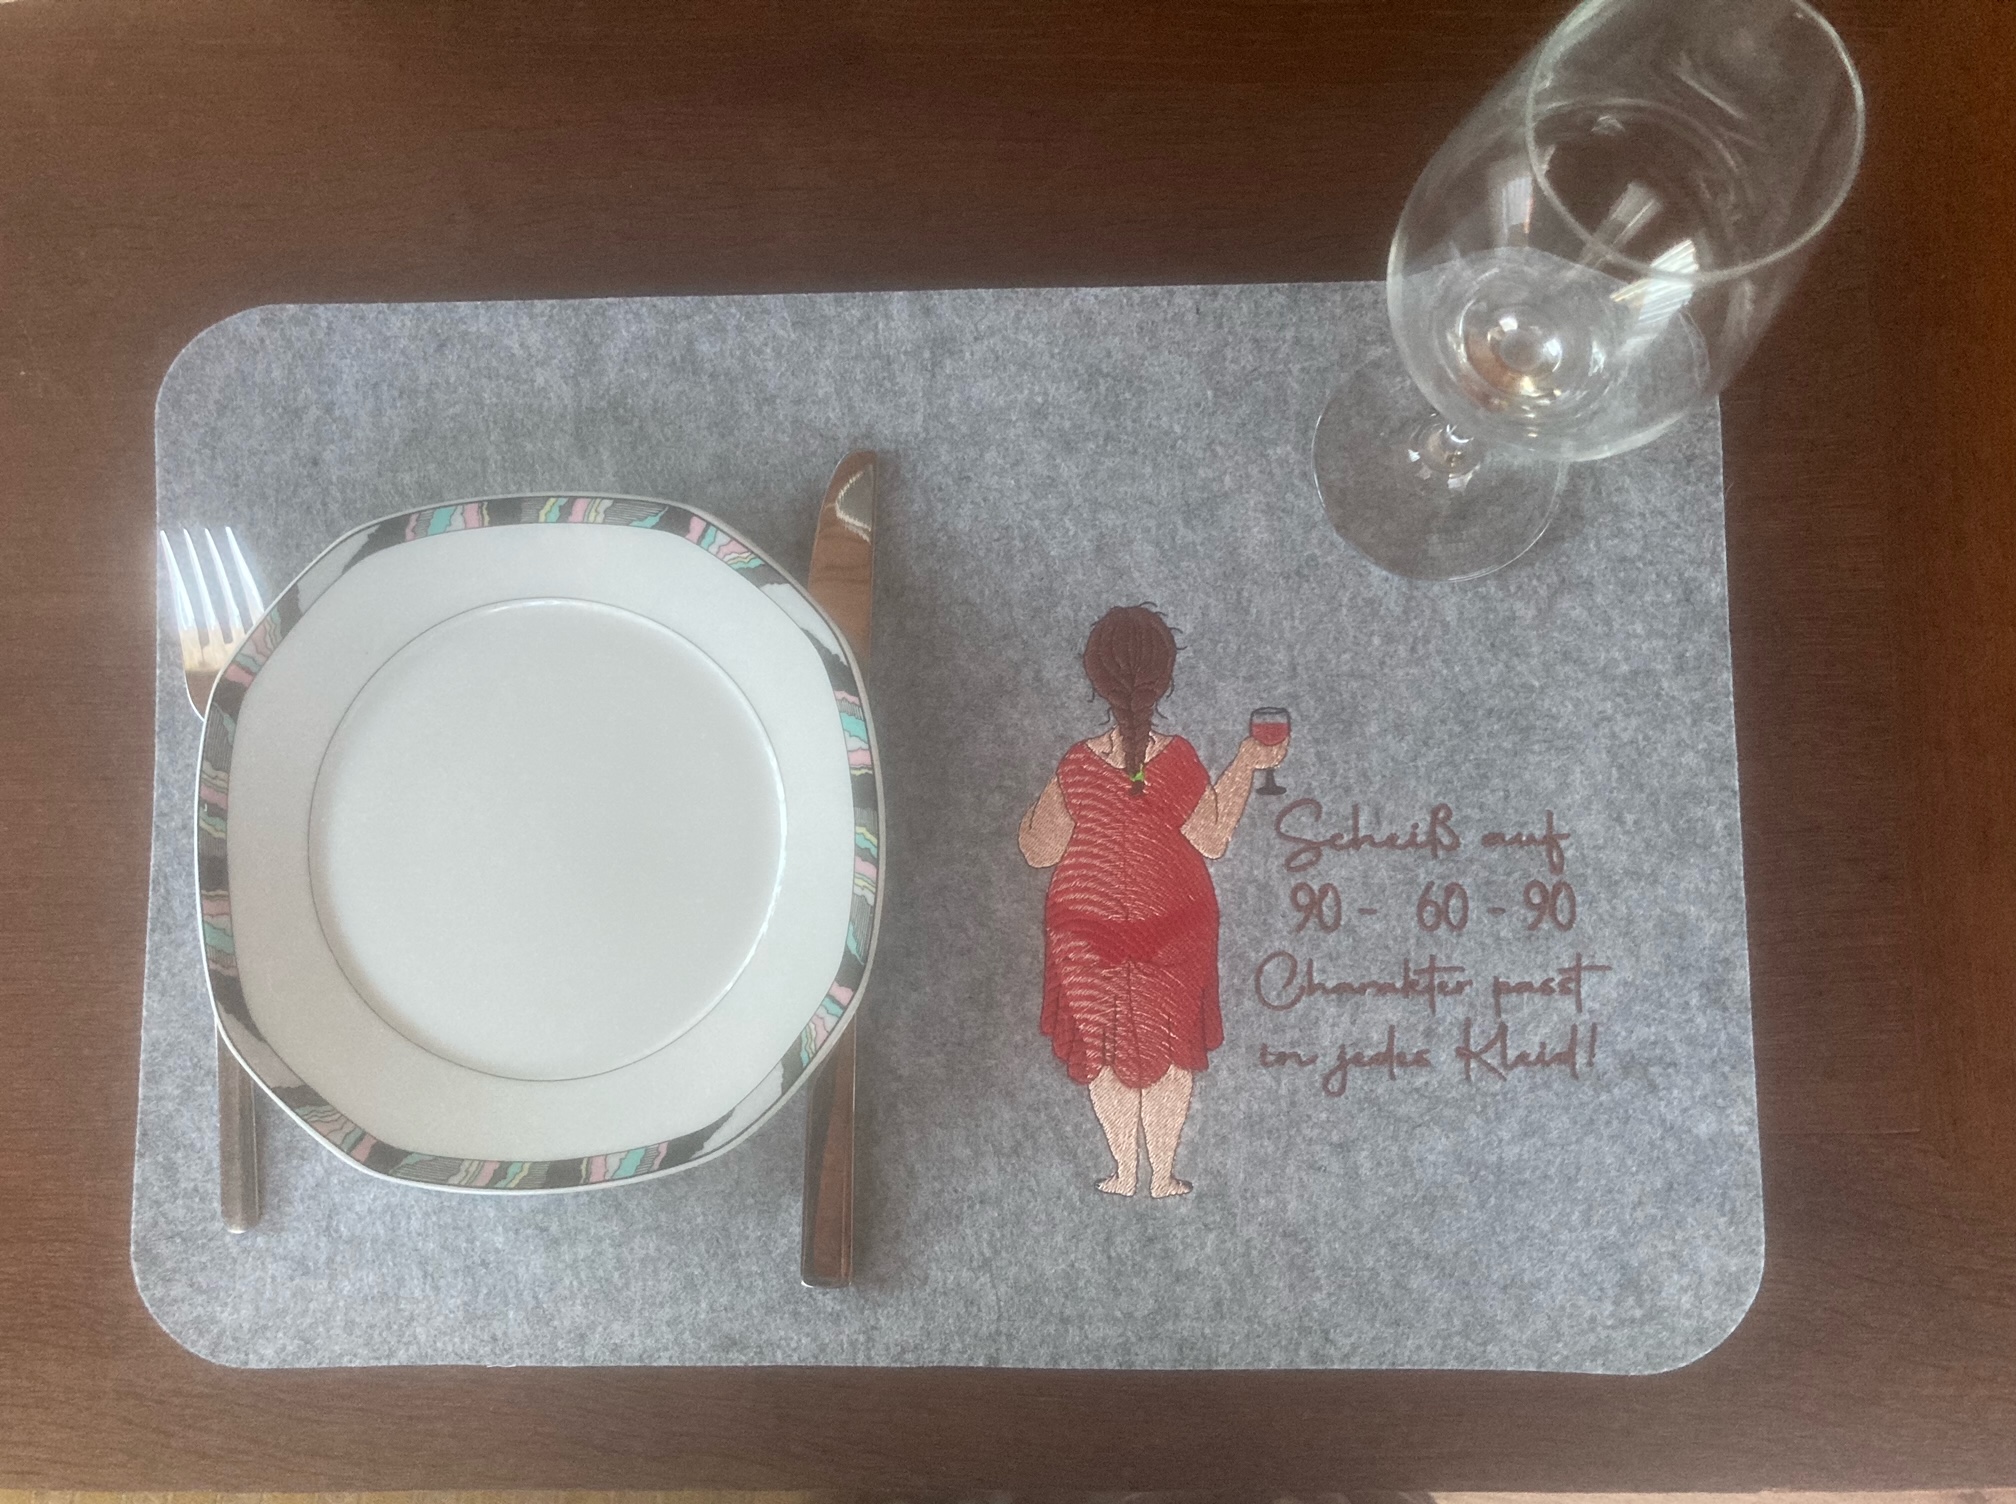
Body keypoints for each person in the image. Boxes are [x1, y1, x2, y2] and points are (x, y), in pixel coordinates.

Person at [1017, 604, 1288, 1197]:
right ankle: (1161, 1175)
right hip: (1176, 921)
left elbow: (1037, 849)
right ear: (1166, 677)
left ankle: (1123, 1172)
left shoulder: (1078, 764)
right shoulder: (1178, 760)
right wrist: (1247, 760)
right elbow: (1212, 838)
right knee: (1170, 1046)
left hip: (1083, 927)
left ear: (1095, 676)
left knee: (1103, 1045)